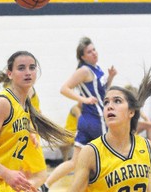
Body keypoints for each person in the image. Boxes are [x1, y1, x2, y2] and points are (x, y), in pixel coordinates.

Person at [0, 51, 73, 192]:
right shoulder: (3, 102)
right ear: (9, 74)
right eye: (21, 68)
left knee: (40, 176)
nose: (28, 72)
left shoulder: (25, 105)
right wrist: (7, 174)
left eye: (32, 67)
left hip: (7, 183)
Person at [68, 67, 151, 191]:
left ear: (131, 112)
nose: (109, 106)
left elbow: (147, 187)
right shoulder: (91, 152)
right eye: (106, 102)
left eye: (117, 101)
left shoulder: (145, 145)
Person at [43, 36, 117, 191]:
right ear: (83, 57)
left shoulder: (97, 68)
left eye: (94, 49)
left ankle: (45, 185)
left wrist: (110, 77)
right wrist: (83, 99)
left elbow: (102, 91)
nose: (94, 53)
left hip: (86, 120)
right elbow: (64, 88)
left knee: (75, 162)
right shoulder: (84, 70)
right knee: (107, 156)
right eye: (89, 52)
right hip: (96, 120)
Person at [125, 85, 151, 157]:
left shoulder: (137, 108)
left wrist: (149, 123)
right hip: (124, 130)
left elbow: (144, 117)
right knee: (143, 126)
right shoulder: (127, 107)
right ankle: (132, 150)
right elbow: (131, 122)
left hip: (133, 129)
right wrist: (148, 124)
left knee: (149, 126)